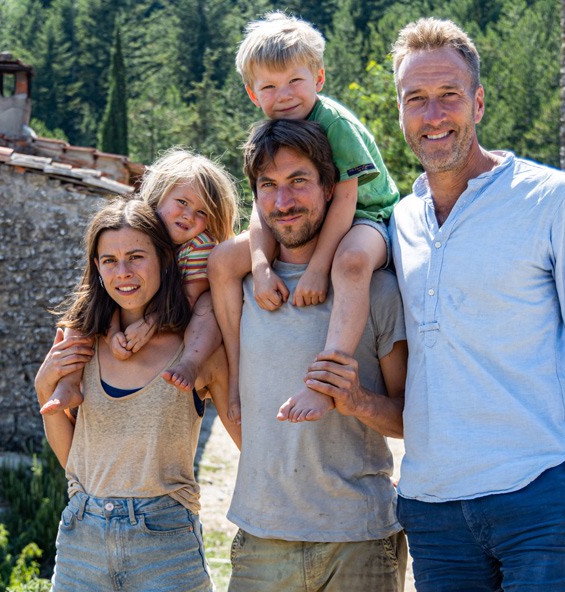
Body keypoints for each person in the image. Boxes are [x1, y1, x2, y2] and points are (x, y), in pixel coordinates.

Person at [388, 17, 565, 591]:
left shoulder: (555, 200)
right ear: (401, 112)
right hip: (433, 510)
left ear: (477, 102)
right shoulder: (401, 220)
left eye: (448, 95)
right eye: (416, 100)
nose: (433, 115)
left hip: (542, 499)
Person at [225, 118, 408, 592]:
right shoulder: (239, 290)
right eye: (269, 186)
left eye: (298, 182)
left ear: (331, 188)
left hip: (360, 540)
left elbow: (411, 419)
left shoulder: (377, 288)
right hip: (261, 542)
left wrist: (357, 401)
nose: (283, 202)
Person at [34, 198, 237, 591]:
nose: (122, 273)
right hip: (81, 541)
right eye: (109, 260)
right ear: (96, 267)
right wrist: (44, 387)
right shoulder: (82, 342)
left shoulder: (196, 350)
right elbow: (75, 463)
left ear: (164, 260)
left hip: (166, 546)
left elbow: (247, 435)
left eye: (135, 257)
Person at [209, 11, 399, 424]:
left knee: (350, 264)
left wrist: (317, 270)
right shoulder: (270, 132)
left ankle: (327, 378)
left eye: (296, 81)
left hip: (369, 214)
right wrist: (259, 268)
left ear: (319, 78)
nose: (285, 95)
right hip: (305, 211)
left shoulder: (336, 126)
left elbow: (347, 202)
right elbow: (262, 204)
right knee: (223, 261)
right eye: (270, 86)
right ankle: (238, 374)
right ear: (252, 94)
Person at [41, 150, 238, 415]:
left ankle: (192, 362)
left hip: (178, 309)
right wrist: (112, 335)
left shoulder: (200, 245)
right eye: (182, 202)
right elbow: (104, 289)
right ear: (158, 197)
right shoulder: (135, 229)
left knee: (208, 304)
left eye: (202, 212)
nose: (189, 215)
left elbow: (189, 299)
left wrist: (148, 325)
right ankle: (69, 383)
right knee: (83, 305)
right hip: (131, 304)